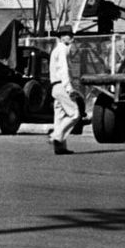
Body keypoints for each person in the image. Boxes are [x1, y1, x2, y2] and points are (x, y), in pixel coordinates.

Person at [49, 23, 81, 155]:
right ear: (62, 38)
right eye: (68, 35)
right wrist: (69, 88)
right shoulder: (62, 49)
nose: (70, 38)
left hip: (54, 86)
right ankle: (55, 136)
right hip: (62, 85)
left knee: (60, 117)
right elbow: (64, 70)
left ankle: (60, 147)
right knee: (74, 114)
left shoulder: (55, 50)